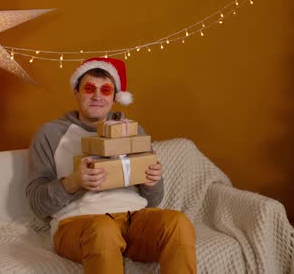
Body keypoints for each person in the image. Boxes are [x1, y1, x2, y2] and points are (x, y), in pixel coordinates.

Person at [26, 57, 197, 273]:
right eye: (89, 88)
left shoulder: (131, 131)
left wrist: (152, 181)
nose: (97, 96)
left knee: (178, 223)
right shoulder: (49, 134)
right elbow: (36, 204)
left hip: (134, 218)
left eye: (105, 90)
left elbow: (153, 200)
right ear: (76, 91)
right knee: (103, 231)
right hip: (78, 222)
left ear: (115, 97)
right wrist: (73, 182)